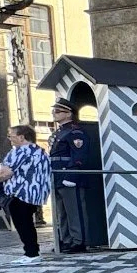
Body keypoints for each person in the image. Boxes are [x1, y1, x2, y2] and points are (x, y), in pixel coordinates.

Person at [48, 99, 106, 253]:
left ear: (68, 114)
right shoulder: (60, 131)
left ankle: (79, 241)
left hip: (69, 175)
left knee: (75, 211)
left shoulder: (75, 132)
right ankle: (67, 240)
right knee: (63, 211)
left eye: (58, 111)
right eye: (54, 111)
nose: (54, 113)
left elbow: (79, 156)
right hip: (58, 175)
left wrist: (71, 176)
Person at [0, 123, 51, 260]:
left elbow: (4, 174)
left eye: (11, 136)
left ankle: (31, 253)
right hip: (34, 194)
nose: (9, 139)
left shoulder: (20, 151)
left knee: (23, 224)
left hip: (19, 193)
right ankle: (32, 251)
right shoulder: (40, 151)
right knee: (28, 223)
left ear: (21, 137)